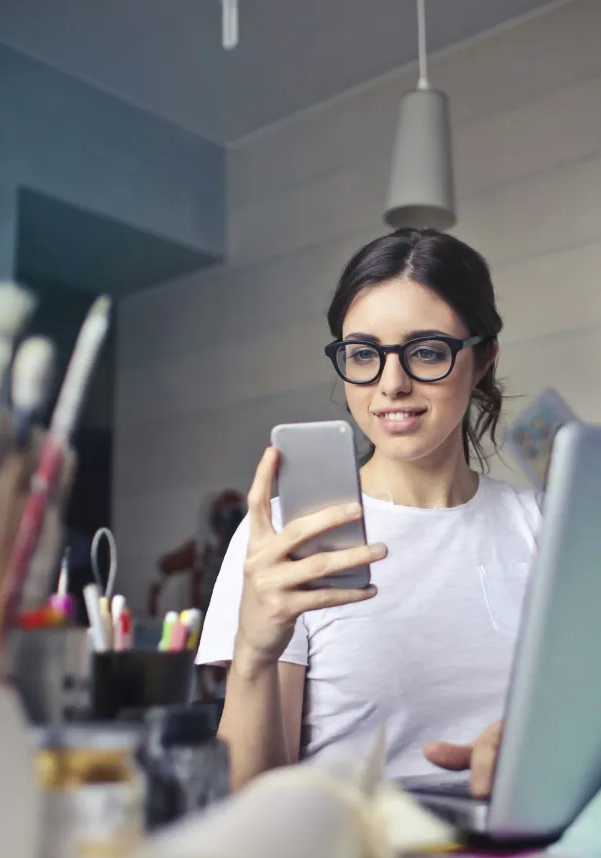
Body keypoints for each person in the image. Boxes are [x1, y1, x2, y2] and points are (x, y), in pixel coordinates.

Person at [196, 228, 541, 794]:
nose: (391, 384)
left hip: (516, 847)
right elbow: (249, 801)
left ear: (482, 359)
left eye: (426, 351)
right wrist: (254, 653)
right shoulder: (288, 536)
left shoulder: (546, 527)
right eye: (363, 354)